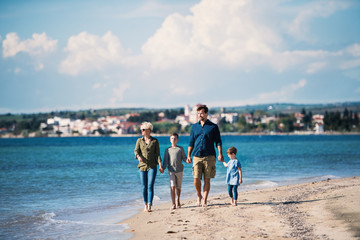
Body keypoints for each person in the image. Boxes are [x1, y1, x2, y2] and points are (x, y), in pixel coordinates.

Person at [187, 104, 224, 207]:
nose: (200, 115)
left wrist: (220, 154)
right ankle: (199, 196)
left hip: (209, 156)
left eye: (202, 113)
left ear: (207, 113)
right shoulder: (194, 127)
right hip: (196, 156)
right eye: (198, 113)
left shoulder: (213, 127)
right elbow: (191, 142)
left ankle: (205, 200)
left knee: (207, 179)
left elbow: (218, 142)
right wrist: (188, 155)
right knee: (196, 178)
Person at [134, 122, 163, 212]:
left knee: (150, 186)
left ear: (148, 130)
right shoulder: (139, 140)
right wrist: (138, 157)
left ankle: (150, 205)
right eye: (141, 129)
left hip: (152, 166)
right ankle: (145, 204)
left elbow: (157, 154)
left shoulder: (155, 141)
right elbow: (136, 151)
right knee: (144, 187)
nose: (141, 131)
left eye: (143, 129)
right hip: (142, 166)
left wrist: (160, 165)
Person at [162, 133, 187, 210]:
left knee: (178, 187)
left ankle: (178, 200)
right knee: (172, 186)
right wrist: (162, 168)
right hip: (171, 170)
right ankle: (173, 203)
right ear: (170, 140)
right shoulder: (167, 150)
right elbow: (165, 161)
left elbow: (184, 158)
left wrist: (188, 160)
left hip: (179, 170)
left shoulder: (180, 149)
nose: (173, 140)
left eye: (175, 139)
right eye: (172, 138)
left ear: (177, 140)